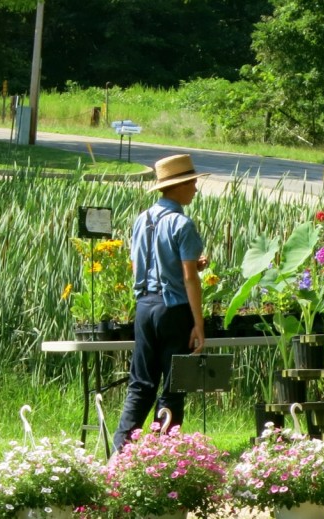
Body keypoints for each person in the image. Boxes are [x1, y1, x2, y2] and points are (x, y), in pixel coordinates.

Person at [112, 154, 209, 452]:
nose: (195, 188)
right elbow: (189, 279)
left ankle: (120, 455)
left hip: (145, 308)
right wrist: (198, 324)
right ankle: (163, 456)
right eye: (191, 183)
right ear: (178, 186)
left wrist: (191, 267)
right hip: (174, 310)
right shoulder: (182, 224)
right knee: (173, 387)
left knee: (140, 384)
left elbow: (140, 263)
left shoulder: (142, 219)